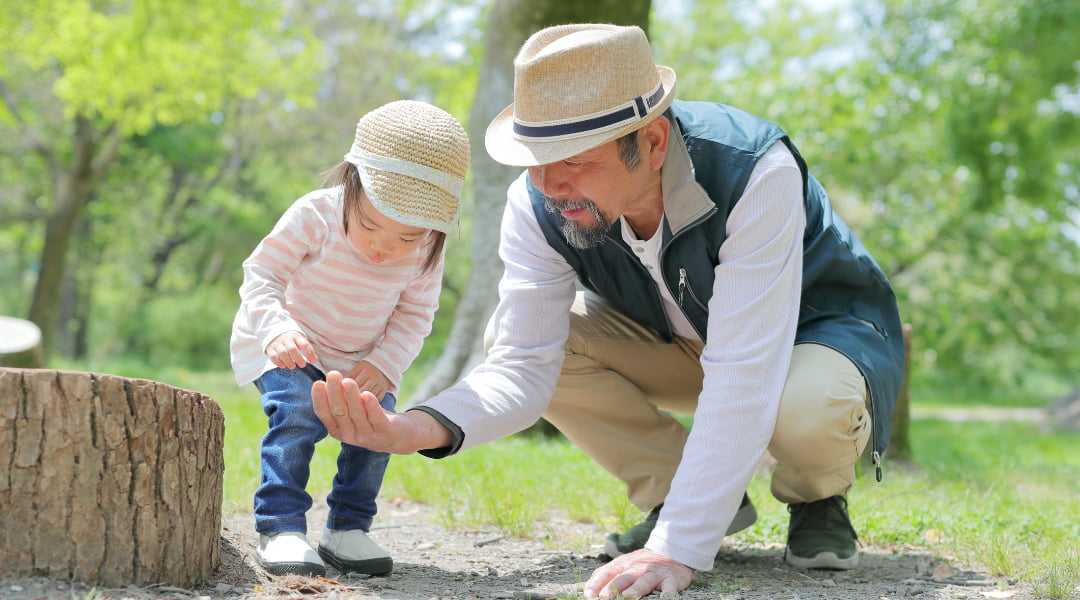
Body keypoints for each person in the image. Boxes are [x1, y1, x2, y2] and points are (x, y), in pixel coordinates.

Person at [313, 23, 905, 599]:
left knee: (807, 407)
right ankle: (683, 496)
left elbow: (747, 368)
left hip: (813, 339)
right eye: (535, 156)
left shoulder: (753, 170)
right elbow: (523, 363)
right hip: (677, 343)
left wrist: (677, 549)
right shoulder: (536, 200)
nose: (547, 183)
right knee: (529, 336)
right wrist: (412, 427)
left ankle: (816, 496)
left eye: (572, 158)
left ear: (651, 143)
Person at [229, 99, 470, 578]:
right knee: (297, 415)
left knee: (376, 427)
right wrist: (277, 327)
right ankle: (281, 525)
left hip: (362, 357)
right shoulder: (315, 214)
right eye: (370, 226)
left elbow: (416, 313)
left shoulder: (426, 248)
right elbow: (262, 275)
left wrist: (384, 363)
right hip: (289, 344)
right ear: (351, 182)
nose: (385, 247)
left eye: (405, 237)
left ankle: (347, 527)